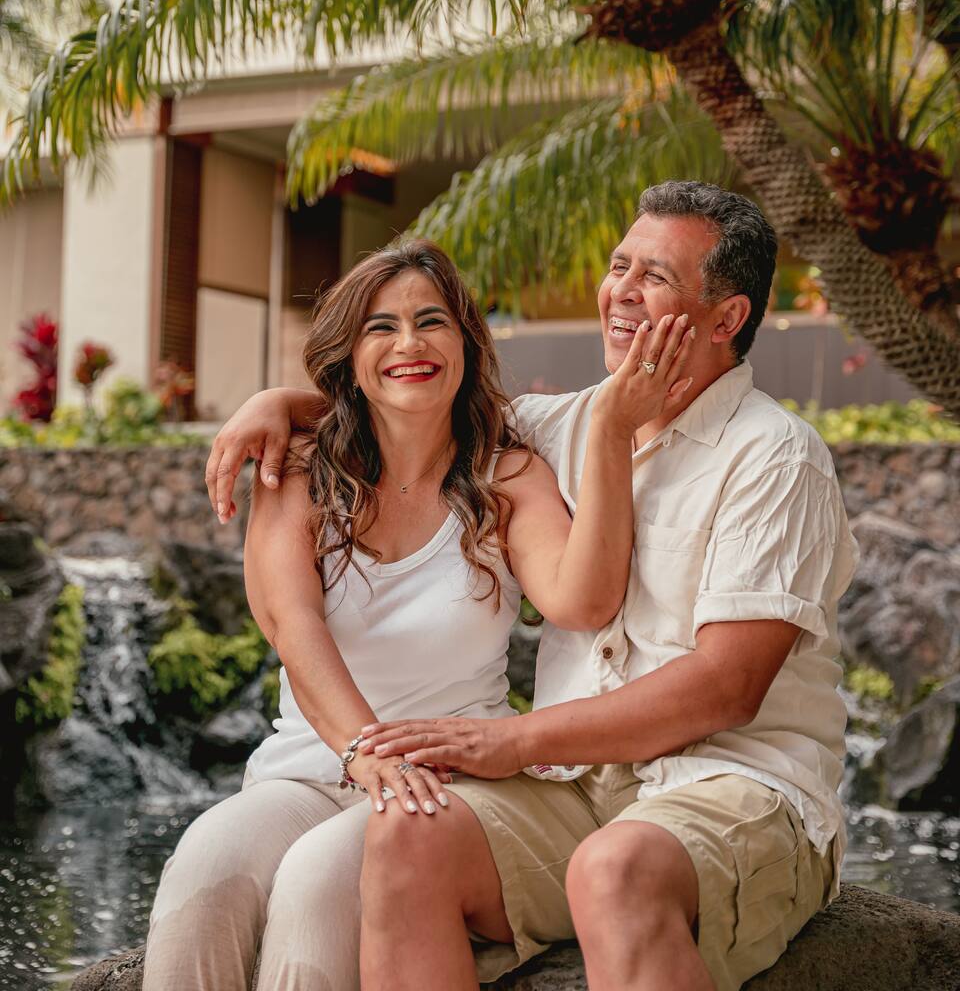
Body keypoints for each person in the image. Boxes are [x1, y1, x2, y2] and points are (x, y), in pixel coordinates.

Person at [209, 181, 859, 991]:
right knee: (407, 831)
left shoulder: (776, 457)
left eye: (652, 278)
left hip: (733, 781)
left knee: (613, 872)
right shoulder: (554, 427)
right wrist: (276, 403)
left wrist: (509, 740)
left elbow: (726, 688)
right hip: (579, 789)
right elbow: (410, 401)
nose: (620, 291)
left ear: (726, 319)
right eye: (619, 266)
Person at [145, 239, 693, 991]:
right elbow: (291, 626)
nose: (409, 344)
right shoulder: (298, 471)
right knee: (202, 868)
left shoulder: (506, 475)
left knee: (312, 888)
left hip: (443, 782)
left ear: (465, 344)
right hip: (311, 767)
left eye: (431, 322)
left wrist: (608, 432)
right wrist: (362, 754)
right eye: (380, 327)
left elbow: (583, 598)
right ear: (349, 352)